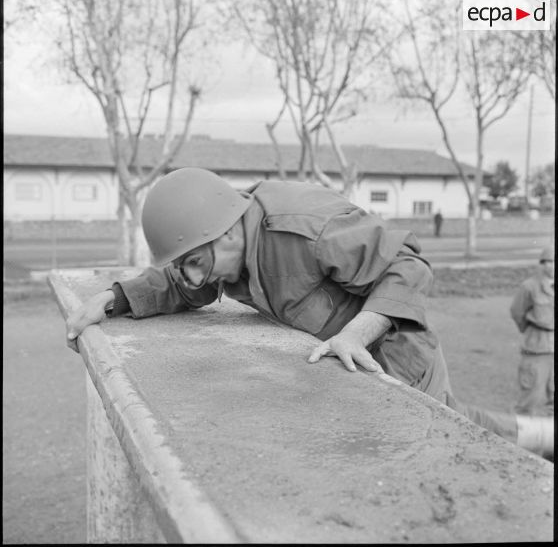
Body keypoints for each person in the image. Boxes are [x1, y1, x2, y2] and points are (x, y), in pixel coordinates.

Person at [66, 167, 553, 458]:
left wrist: (357, 334)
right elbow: (180, 281)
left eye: (196, 262)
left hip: (397, 356)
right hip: (350, 368)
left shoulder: (306, 228)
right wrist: (112, 299)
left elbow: (409, 265)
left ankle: (537, 439)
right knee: (457, 423)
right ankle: (541, 436)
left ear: (228, 233)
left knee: (440, 445)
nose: (194, 278)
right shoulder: (220, 244)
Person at [510, 246, 554, 416]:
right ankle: (522, 441)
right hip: (536, 349)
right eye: (546, 262)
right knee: (529, 399)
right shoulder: (529, 286)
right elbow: (517, 312)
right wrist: (530, 330)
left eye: (554, 262)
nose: (550, 266)